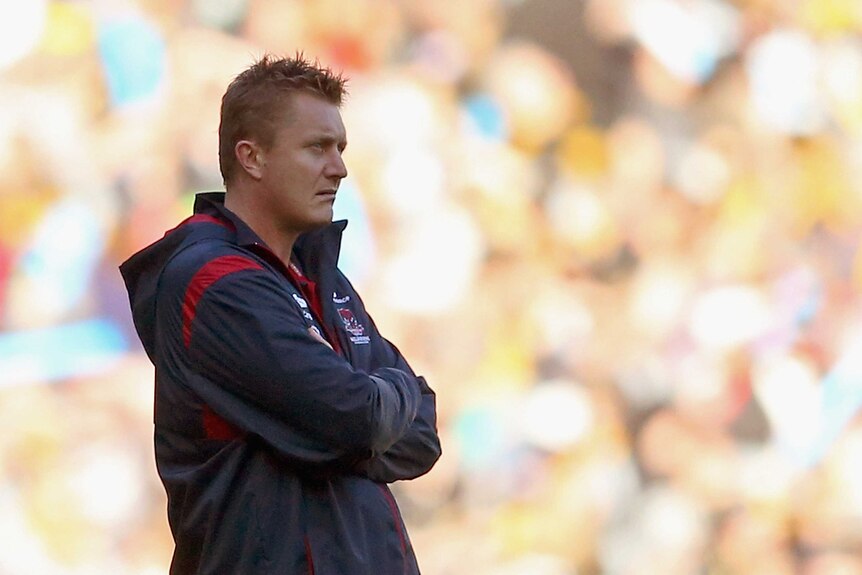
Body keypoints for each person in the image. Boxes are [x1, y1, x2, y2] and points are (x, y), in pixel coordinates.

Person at [119, 54, 441, 574]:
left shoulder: (320, 276)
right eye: (317, 148)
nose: (338, 167)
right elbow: (355, 416)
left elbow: (422, 436)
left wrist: (354, 424)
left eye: (340, 148)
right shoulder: (214, 280)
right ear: (252, 158)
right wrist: (376, 411)